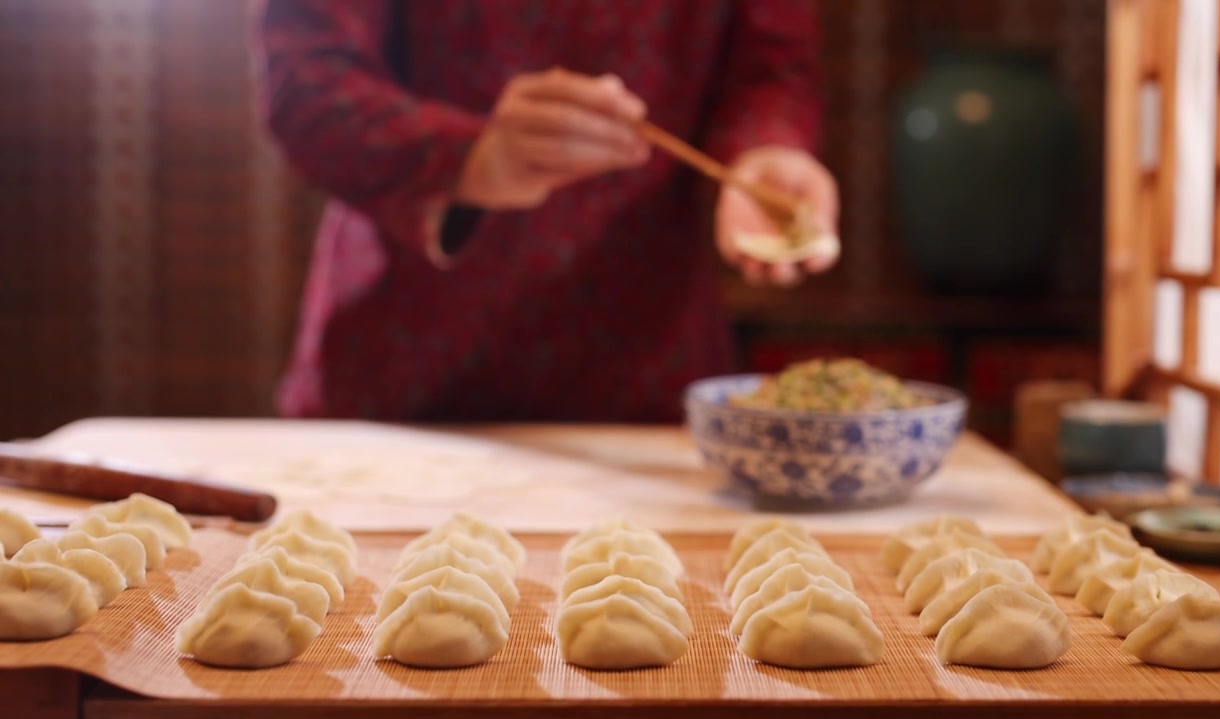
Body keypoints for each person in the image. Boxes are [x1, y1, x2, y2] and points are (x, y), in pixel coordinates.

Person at [253, 1, 841, 423]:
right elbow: (305, 82)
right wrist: (472, 157)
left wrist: (767, 149)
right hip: (400, 371)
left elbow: (772, 69)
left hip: (644, 373)